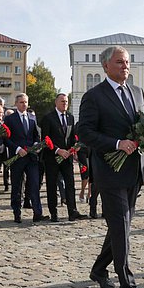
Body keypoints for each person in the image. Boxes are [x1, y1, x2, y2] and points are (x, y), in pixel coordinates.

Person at [78, 45, 144, 288]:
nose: (125, 66)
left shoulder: (138, 92)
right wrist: (116, 143)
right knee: (120, 226)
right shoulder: (94, 96)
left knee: (122, 226)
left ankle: (98, 269)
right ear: (105, 66)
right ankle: (128, 287)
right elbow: (85, 133)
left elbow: (142, 125)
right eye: (119, 62)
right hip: (109, 171)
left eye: (127, 62)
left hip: (134, 171)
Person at [41, 93, 87, 222]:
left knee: (70, 184)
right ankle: (53, 212)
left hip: (67, 158)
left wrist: (74, 147)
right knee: (51, 185)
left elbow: (72, 137)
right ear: (56, 103)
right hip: (52, 158)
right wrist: (58, 150)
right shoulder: (48, 118)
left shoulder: (70, 118)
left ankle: (72, 211)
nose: (65, 103)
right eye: (62, 101)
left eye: (66, 101)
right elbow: (45, 139)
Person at [4, 93, 46, 223]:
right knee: (16, 186)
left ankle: (37, 213)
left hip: (31, 158)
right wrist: (17, 149)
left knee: (34, 184)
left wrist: (35, 146)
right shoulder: (10, 119)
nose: (24, 104)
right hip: (17, 157)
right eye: (21, 102)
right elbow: (5, 138)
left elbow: (36, 137)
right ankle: (17, 213)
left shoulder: (32, 118)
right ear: (16, 104)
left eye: (26, 102)